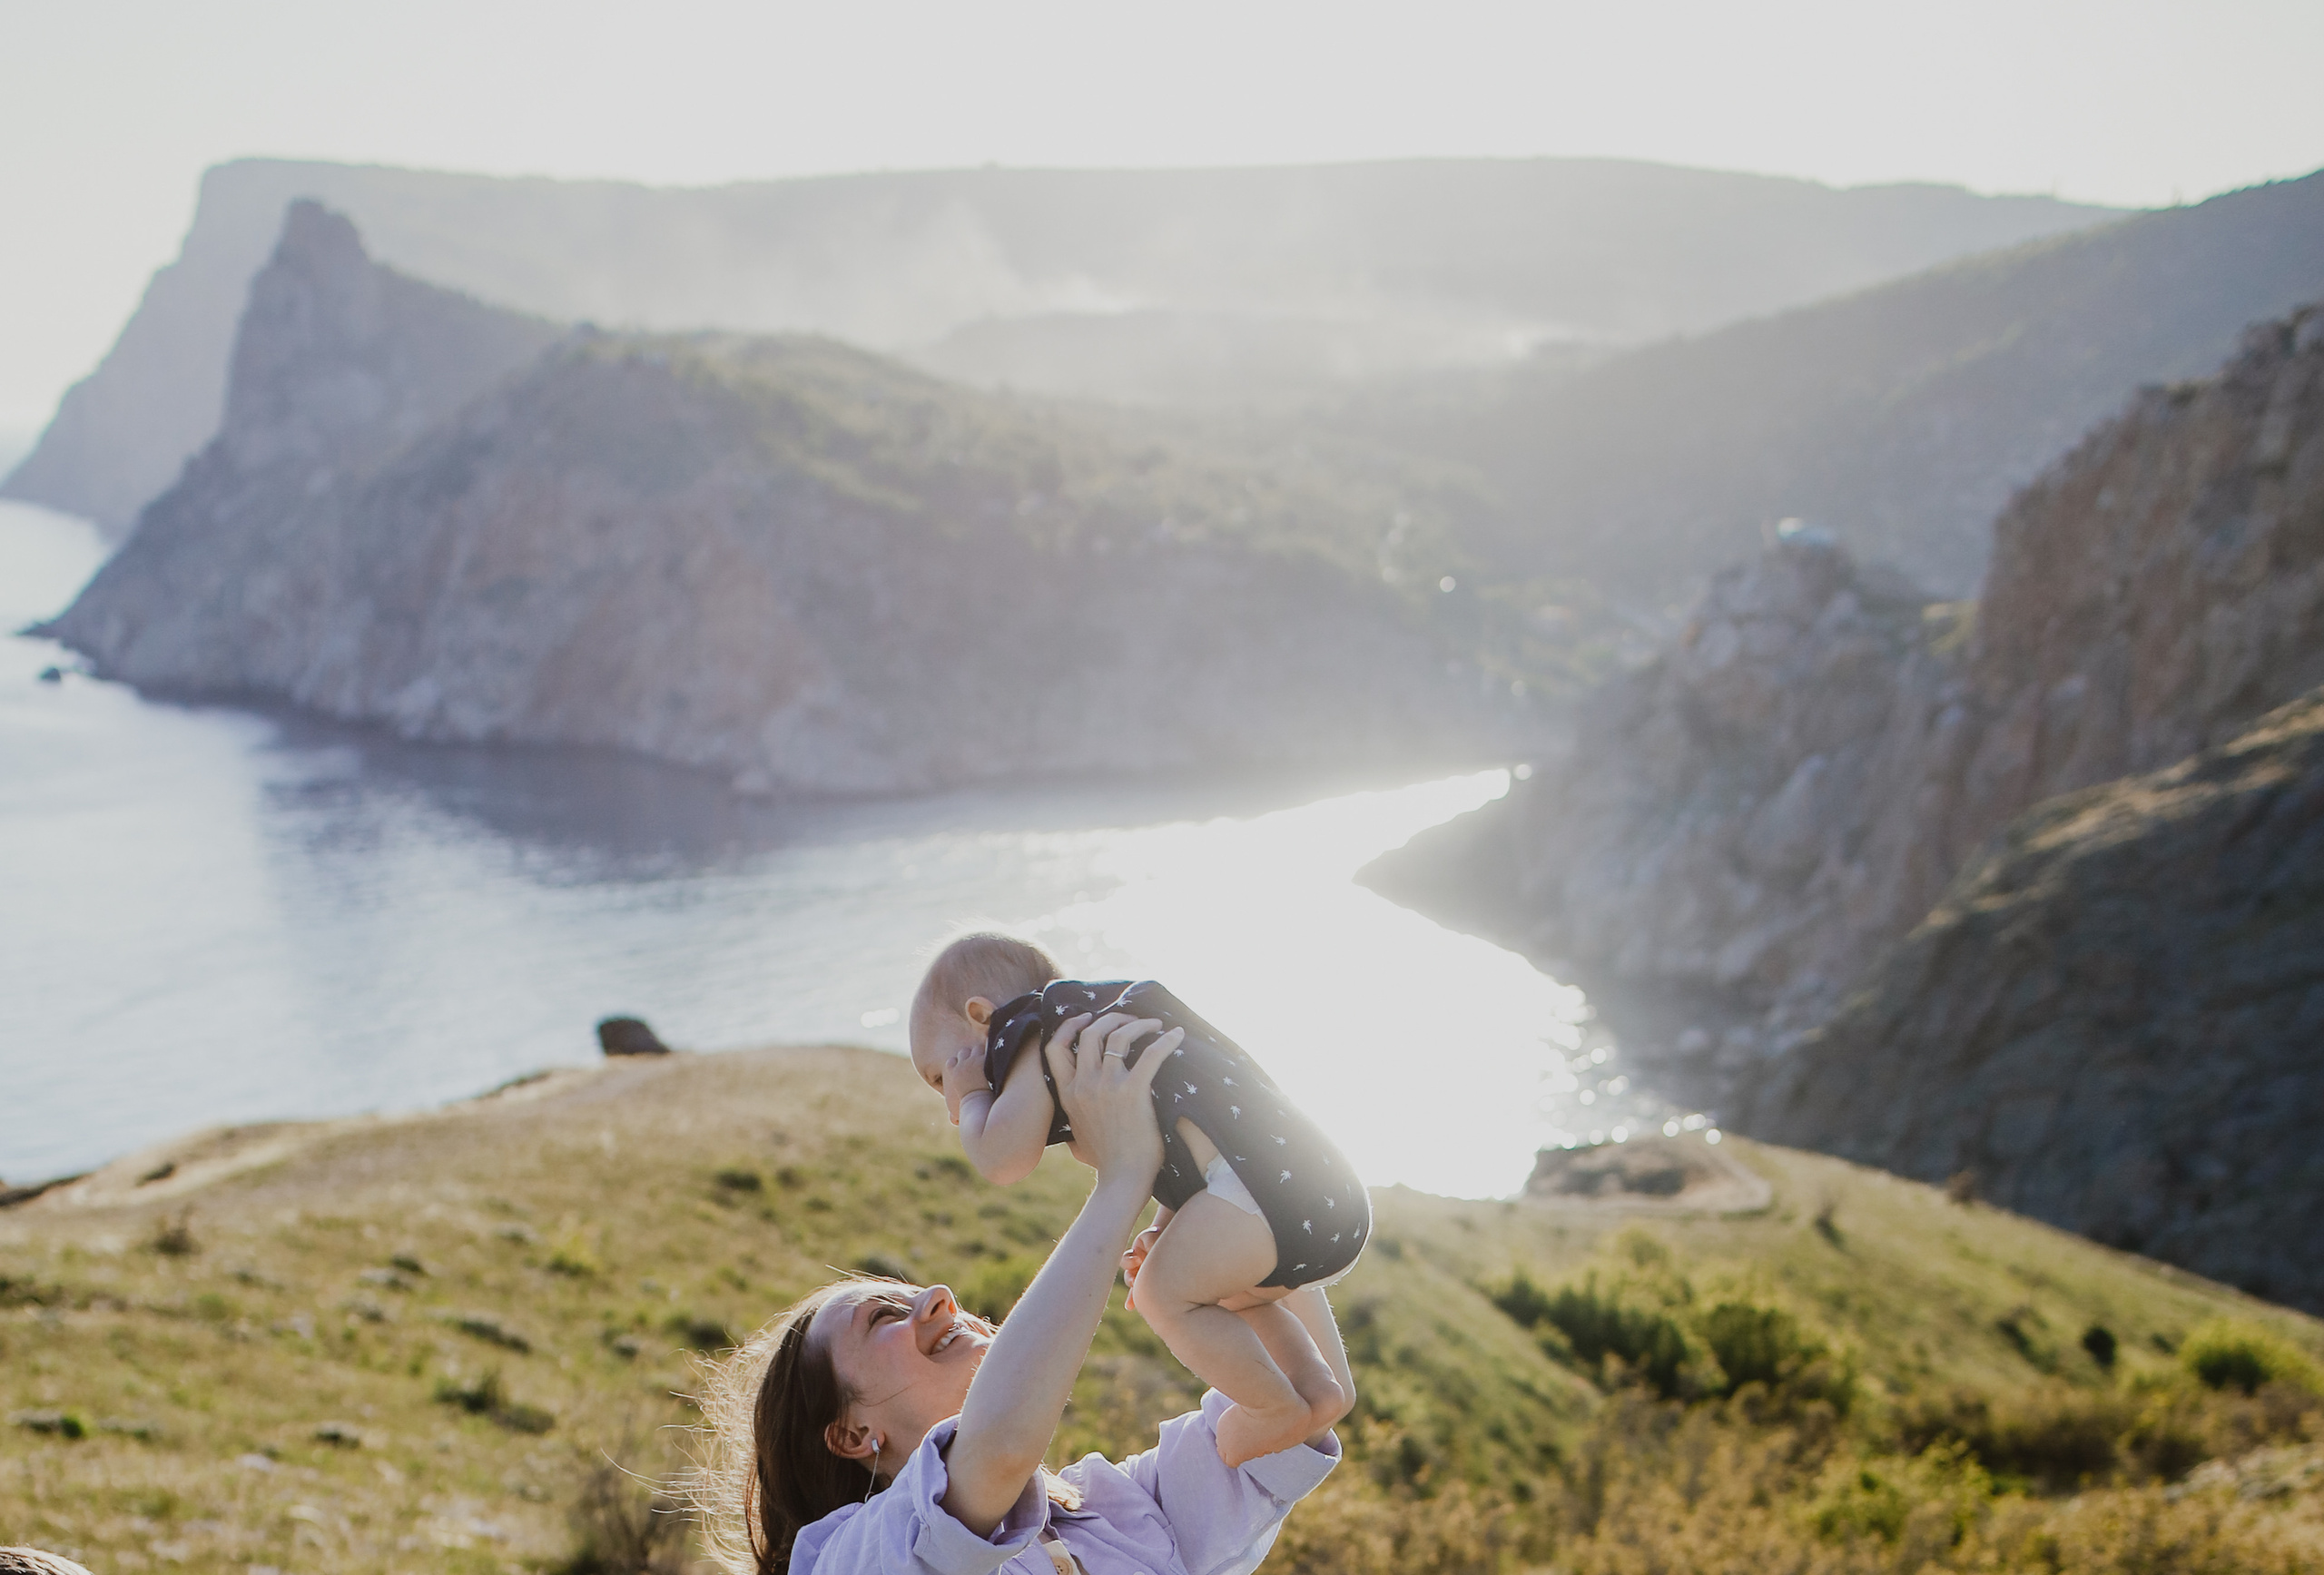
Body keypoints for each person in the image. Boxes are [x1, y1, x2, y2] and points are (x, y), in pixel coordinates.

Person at [689, 1008, 1354, 1575]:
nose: (939, 1296)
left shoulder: (1115, 1508)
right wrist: (1124, 1172)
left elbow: (1308, 1402)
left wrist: (1221, 1218)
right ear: (852, 1432)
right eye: (881, 1317)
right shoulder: (851, 1559)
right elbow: (997, 1449)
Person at [910, 934, 1367, 1465]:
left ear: (981, 1016)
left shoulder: (1029, 1033)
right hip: (1315, 1191)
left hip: (1267, 1200)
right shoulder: (1108, 1024)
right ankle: (1316, 1387)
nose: (947, 1104)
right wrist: (1171, 1222)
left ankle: (1271, 1409)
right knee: (1224, 1292)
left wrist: (973, 1095)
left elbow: (1002, 1159)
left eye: (940, 1073)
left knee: (1160, 1294)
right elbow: (1192, 1142)